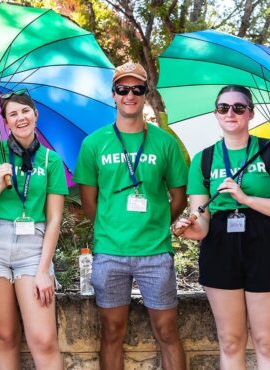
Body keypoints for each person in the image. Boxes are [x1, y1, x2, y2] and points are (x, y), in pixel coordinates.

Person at [174, 85, 270, 370]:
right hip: (220, 243)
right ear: (215, 113)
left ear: (251, 113)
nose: (230, 113)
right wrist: (192, 228)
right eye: (223, 107)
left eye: (239, 107)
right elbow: (202, 217)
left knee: (266, 342)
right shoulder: (203, 159)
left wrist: (245, 198)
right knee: (230, 340)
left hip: (266, 241)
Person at [73, 61, 188, 370]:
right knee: (111, 332)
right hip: (110, 251)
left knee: (166, 330)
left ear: (145, 94)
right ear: (113, 94)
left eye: (137, 89)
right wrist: (111, 227)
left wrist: (157, 223)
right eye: (123, 89)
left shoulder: (165, 142)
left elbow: (179, 196)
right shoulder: (94, 143)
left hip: (155, 251)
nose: (130, 95)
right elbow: (89, 200)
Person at [0, 90, 67, 370]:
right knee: (5, 336)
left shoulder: (51, 160)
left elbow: (55, 219)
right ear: (6, 121)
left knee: (44, 338)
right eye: (13, 113)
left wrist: (43, 270)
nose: (20, 117)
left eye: (25, 111)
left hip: (33, 246)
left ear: (35, 115)